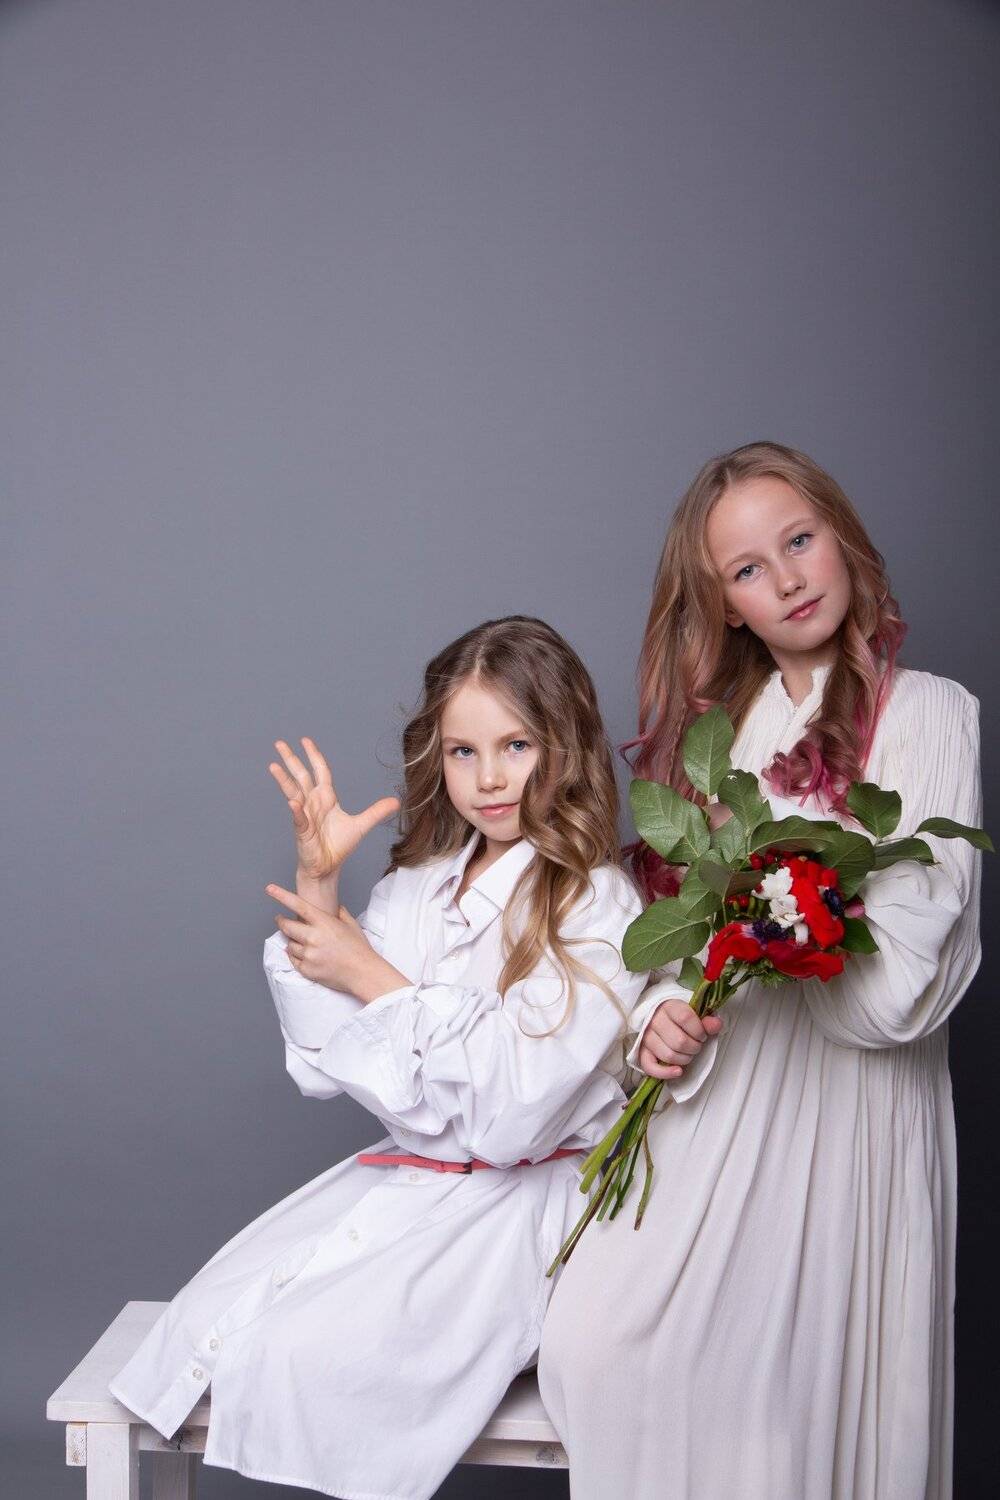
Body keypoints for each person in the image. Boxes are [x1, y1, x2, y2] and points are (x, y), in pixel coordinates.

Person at [109, 615, 648, 1500]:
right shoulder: (416, 888)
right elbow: (325, 1066)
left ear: (567, 746)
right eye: (464, 751)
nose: (490, 778)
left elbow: (514, 1117)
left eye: (516, 745)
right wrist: (319, 887)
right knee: (210, 1327)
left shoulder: (598, 905)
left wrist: (375, 977)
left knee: (306, 1354)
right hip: (412, 1181)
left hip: (518, 1210)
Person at [538, 442, 983, 1500]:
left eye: (799, 540)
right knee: (598, 1349)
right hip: (721, 1099)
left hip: (849, 1120)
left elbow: (900, 989)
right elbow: (671, 939)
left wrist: (785, 915)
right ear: (725, 606)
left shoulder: (930, 712)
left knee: (793, 1421)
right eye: (747, 568)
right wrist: (658, 1015)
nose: (786, 579)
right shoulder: (717, 740)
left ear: (841, 535)